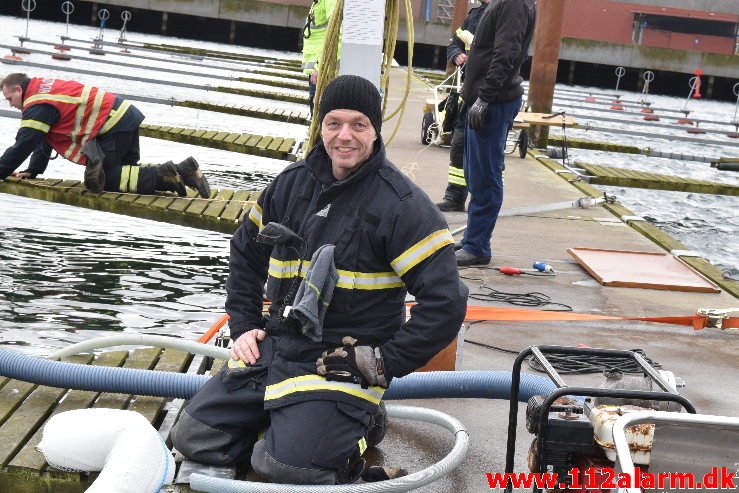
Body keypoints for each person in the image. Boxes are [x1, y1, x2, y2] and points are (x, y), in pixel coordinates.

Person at [171, 75, 468, 485]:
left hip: (344, 363)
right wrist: (243, 325)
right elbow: (245, 250)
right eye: (333, 123)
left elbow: (447, 303)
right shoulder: (290, 185)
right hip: (276, 347)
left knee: (288, 469)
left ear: (375, 129)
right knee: (192, 437)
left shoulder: (404, 207)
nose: (344, 136)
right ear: (320, 126)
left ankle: (359, 431)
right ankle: (298, 430)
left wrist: (383, 362)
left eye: (358, 124)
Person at [0, 73, 210, 197]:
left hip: (113, 125)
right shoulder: (43, 89)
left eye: (9, 98)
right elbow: (43, 137)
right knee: (125, 175)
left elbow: (23, 145)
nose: (11, 104)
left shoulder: (37, 104)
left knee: (106, 180)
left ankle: (180, 171)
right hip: (122, 116)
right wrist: (34, 169)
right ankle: (179, 174)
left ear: (18, 90)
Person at [456, 0, 536, 266]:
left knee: (485, 177)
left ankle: (477, 247)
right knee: (473, 174)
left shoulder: (513, 3)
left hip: (493, 101)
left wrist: (485, 98)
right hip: (482, 98)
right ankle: (472, 239)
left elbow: (508, 53)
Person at [436, 0, 490, 212]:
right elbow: (455, 41)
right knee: (459, 145)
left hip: (490, 94)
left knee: (486, 152)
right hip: (468, 92)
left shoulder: (502, 13)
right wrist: (455, 54)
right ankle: (455, 197)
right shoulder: (474, 15)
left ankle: (485, 201)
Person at [301, 0, 338, 116]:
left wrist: (320, 67)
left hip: (323, 70)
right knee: (317, 113)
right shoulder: (319, 1)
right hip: (318, 69)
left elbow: (337, 34)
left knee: (321, 114)